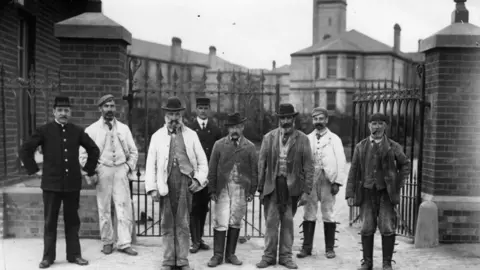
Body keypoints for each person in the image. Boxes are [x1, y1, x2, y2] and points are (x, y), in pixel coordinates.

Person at [19, 96, 100, 269]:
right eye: (60, 110)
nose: (63, 113)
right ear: (54, 112)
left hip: (72, 185)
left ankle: (75, 255)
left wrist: (89, 169)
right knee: (50, 221)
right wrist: (35, 170)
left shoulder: (77, 131)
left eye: (66, 110)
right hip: (51, 185)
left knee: (72, 221)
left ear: (70, 112)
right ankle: (48, 257)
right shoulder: (44, 130)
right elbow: (26, 149)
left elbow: (93, 150)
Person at [144, 96, 208, 270]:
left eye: (177, 114)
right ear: (165, 115)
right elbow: (150, 165)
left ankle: (182, 260)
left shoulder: (191, 135)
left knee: (183, 223)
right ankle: (168, 260)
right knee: (166, 223)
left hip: (185, 184)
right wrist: (152, 188)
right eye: (170, 114)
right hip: (165, 183)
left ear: (181, 115)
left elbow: (203, 162)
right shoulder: (157, 137)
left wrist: (198, 179)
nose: (173, 118)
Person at [346, 113, 410, 270]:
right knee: (367, 226)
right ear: (369, 126)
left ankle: (387, 262)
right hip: (367, 192)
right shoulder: (361, 147)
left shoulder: (393, 146)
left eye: (381, 123)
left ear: (385, 126)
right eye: (374, 123)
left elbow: (405, 164)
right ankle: (367, 262)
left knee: (387, 226)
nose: (377, 126)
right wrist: (350, 193)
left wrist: (397, 183)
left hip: (386, 193)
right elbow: (353, 170)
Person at [256, 103, 314, 269]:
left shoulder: (302, 139)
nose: (286, 121)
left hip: (292, 187)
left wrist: (306, 192)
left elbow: (309, 167)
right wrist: (260, 189)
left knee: (287, 222)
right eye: (283, 118)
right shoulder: (269, 137)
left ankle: (285, 257)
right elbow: (262, 164)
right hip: (272, 186)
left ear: (293, 119)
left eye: (289, 117)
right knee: (271, 223)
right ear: (279, 119)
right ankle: (268, 257)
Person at [79, 94, 139, 256]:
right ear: (100, 109)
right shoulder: (91, 130)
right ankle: (107, 241)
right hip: (103, 169)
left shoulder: (124, 129)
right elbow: (83, 155)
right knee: (104, 207)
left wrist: (127, 167)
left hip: (120, 169)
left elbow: (133, 152)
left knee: (123, 206)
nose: (110, 109)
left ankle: (124, 242)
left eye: (112, 106)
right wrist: (95, 169)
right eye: (106, 106)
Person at [207, 112, 258, 267]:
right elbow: (212, 168)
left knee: (235, 219)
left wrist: (252, 190)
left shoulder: (249, 147)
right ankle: (217, 255)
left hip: (241, 188)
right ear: (228, 129)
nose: (235, 130)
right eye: (232, 127)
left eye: (238, 127)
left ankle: (231, 254)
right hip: (223, 187)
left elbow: (254, 171)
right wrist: (212, 190)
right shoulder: (219, 145)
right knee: (220, 220)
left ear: (242, 128)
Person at [297, 107, 347, 259]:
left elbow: (341, 161)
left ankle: (329, 248)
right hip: (311, 180)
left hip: (327, 179)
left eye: (321, 119)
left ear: (326, 120)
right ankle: (306, 248)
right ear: (312, 120)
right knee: (309, 212)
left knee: (328, 213)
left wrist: (337, 182)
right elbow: (301, 161)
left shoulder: (334, 139)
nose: (318, 122)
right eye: (315, 119)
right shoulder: (307, 138)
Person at [188, 97, 222, 253]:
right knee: (194, 207)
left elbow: (218, 154)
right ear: (196, 109)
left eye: (205, 108)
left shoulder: (215, 129)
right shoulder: (189, 128)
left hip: (207, 175)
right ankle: (194, 240)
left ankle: (199, 238)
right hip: (194, 175)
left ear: (209, 109)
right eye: (200, 108)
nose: (203, 111)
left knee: (203, 207)